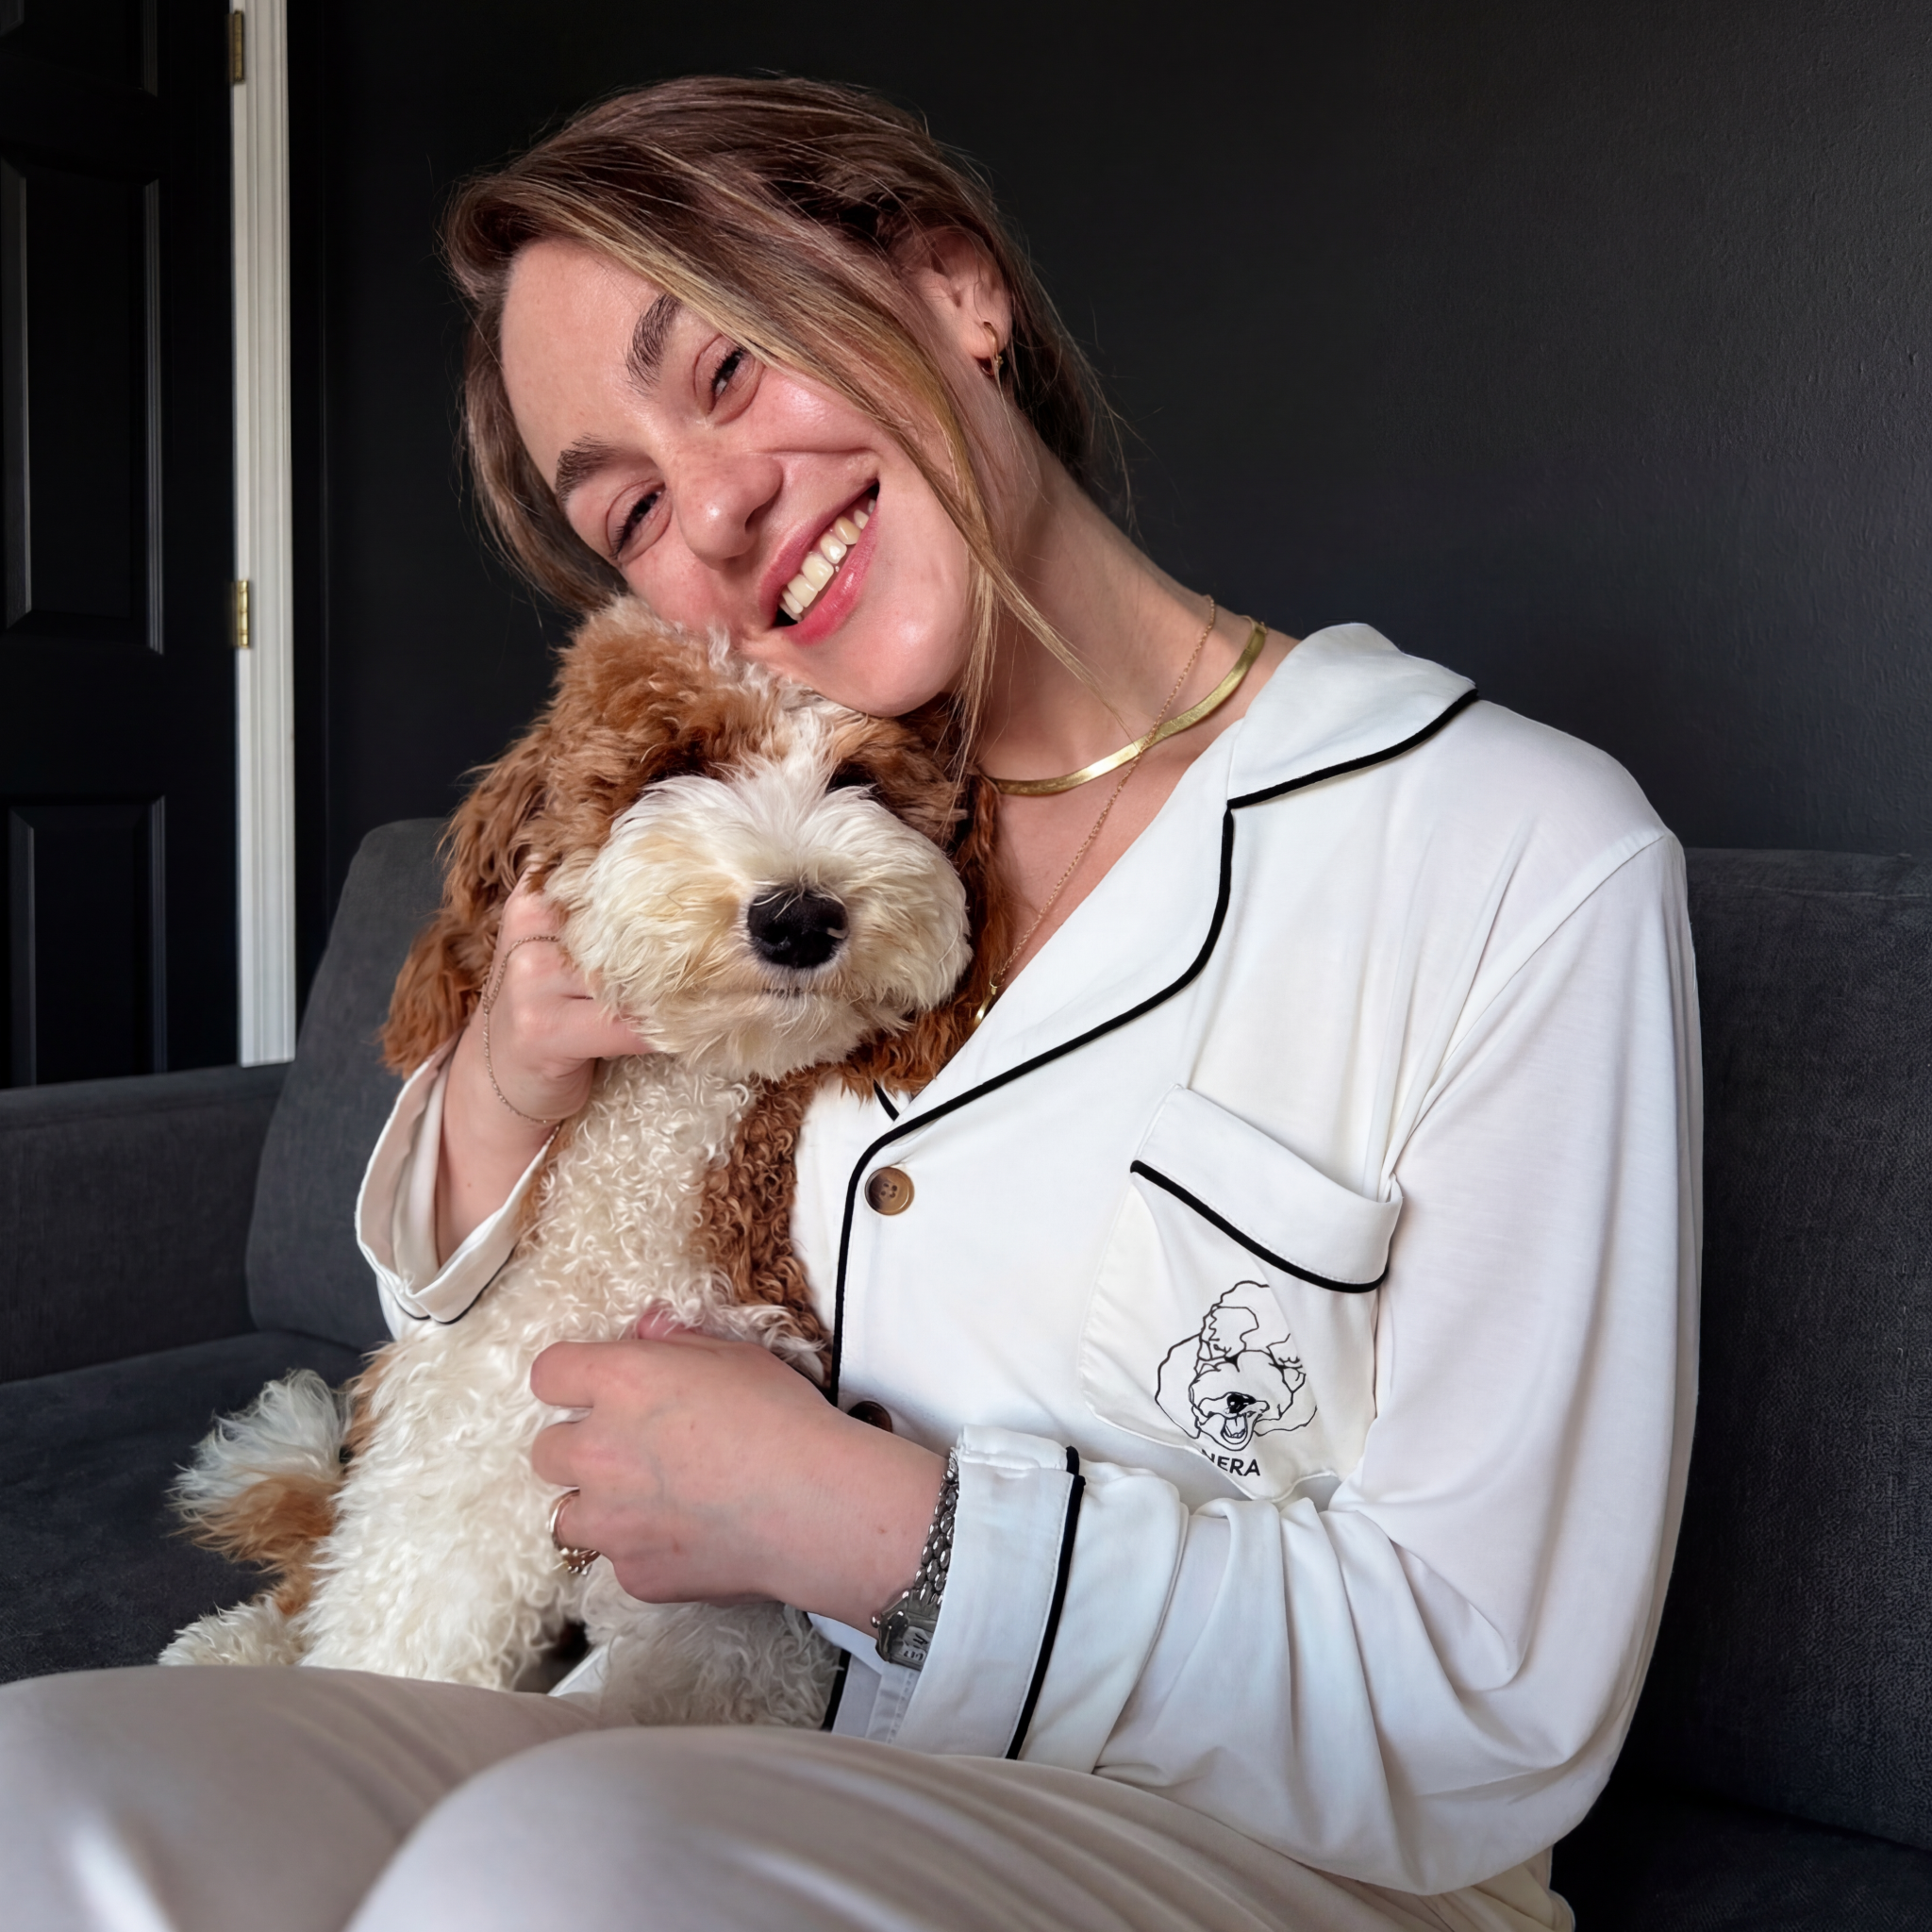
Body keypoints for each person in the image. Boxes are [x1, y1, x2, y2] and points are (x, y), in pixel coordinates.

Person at [0, 75, 1698, 1932]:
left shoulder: (1511, 854)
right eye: (628, 503)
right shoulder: (786, 854)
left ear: (955, 288)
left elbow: (1492, 1706)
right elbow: (483, 1286)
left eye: (725, 370)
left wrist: (863, 1526)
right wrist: (505, 1069)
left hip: (1277, 1861)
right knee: (52, 1784)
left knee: (561, 1876)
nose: (714, 510)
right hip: (750, 1752)